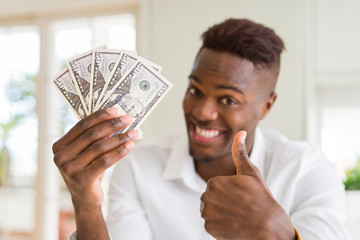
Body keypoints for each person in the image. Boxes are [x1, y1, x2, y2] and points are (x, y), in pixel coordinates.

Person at [53, 18, 349, 240]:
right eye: (195, 90)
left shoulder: (307, 169)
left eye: (228, 100)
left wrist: (277, 235)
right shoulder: (139, 166)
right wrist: (86, 204)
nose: (202, 112)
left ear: (266, 106)